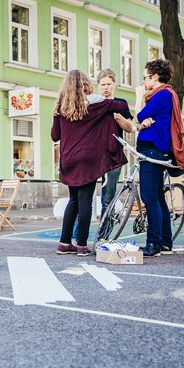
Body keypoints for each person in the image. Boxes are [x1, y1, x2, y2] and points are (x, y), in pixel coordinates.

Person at [51, 70, 128, 257]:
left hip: (68, 159)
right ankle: (82, 245)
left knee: (74, 200)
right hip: (88, 159)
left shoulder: (60, 108)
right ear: (85, 84)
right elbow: (119, 105)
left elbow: (55, 136)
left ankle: (64, 242)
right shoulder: (94, 103)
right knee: (85, 201)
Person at [72, 68, 133, 240]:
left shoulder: (120, 103)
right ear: (97, 86)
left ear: (114, 85)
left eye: (109, 84)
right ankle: (78, 237)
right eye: (102, 84)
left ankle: (103, 237)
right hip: (92, 156)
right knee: (85, 198)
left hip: (113, 155)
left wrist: (118, 117)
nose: (106, 88)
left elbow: (129, 128)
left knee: (108, 198)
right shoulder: (92, 102)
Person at [134, 59, 176, 257]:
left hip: (151, 150)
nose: (143, 81)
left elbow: (139, 116)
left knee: (149, 196)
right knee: (158, 197)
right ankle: (165, 242)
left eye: (145, 77)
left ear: (155, 76)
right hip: (155, 150)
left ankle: (154, 243)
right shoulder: (163, 96)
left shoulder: (161, 95)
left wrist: (138, 97)